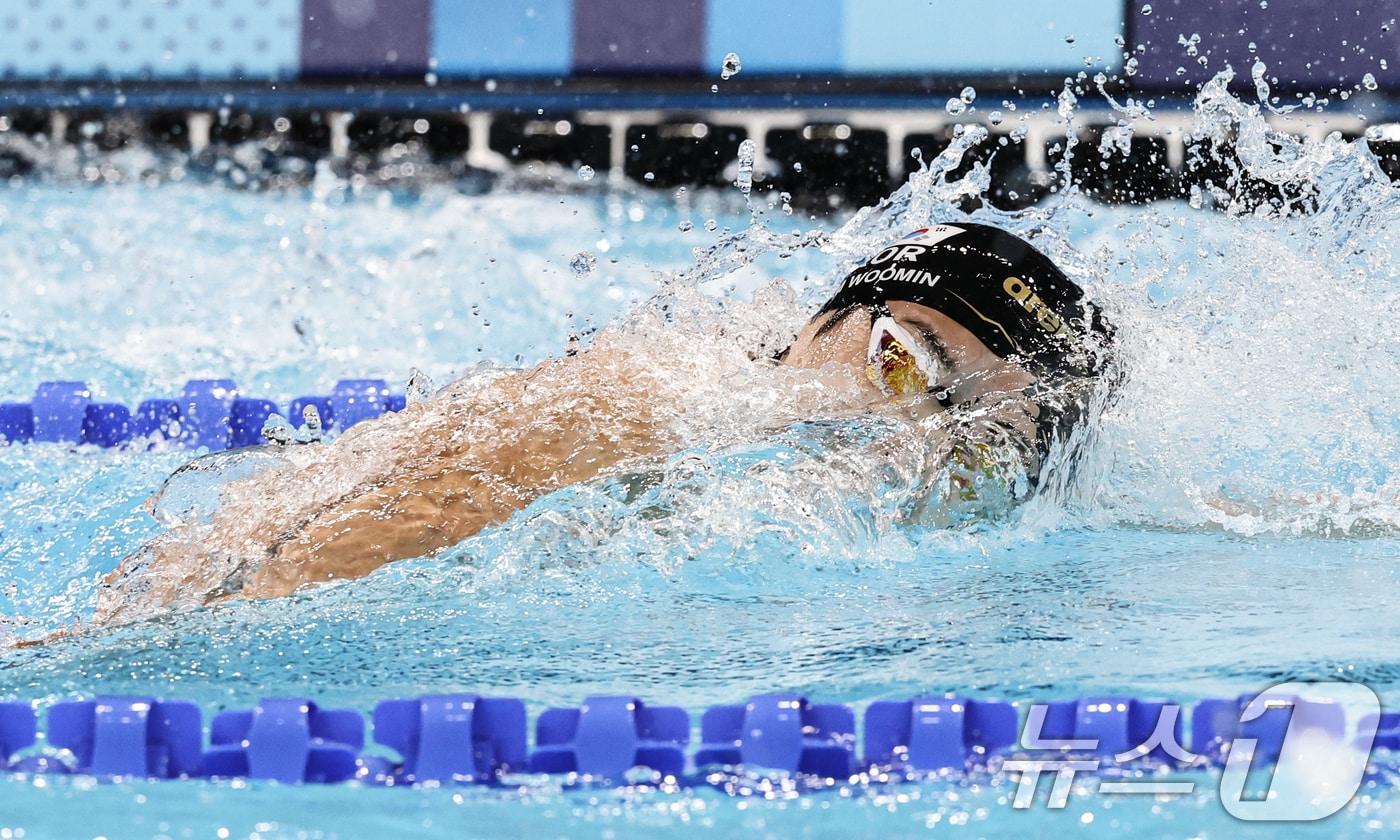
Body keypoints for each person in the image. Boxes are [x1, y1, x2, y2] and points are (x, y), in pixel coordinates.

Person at [92, 222, 1112, 628]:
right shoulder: (653, 404)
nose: (907, 445)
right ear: (823, 325)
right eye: (903, 370)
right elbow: (337, 540)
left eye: (976, 455)